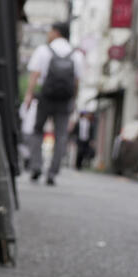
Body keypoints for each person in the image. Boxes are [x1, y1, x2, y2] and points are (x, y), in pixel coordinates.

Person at [22, 22, 84, 186]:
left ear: (56, 32)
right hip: (65, 100)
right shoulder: (76, 54)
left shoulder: (43, 50)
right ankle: (52, 173)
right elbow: (77, 81)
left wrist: (29, 95)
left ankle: (36, 166)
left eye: (50, 31)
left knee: (37, 130)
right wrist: (73, 100)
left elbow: (35, 75)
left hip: (46, 97)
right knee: (61, 136)